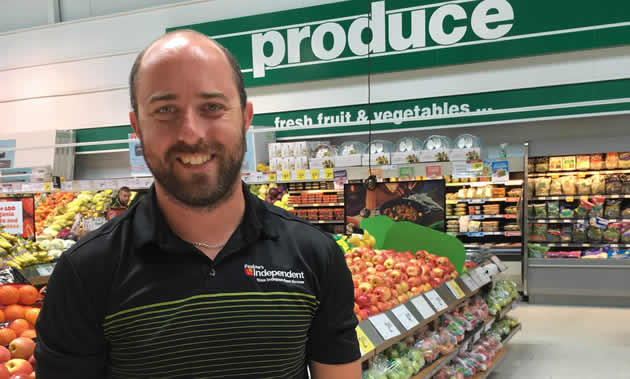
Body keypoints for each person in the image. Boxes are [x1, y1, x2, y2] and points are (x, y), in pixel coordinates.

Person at [34, 30, 360, 378]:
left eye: (212, 107)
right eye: (165, 110)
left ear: (246, 118)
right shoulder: (85, 272)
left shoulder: (315, 255)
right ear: (137, 127)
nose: (191, 133)